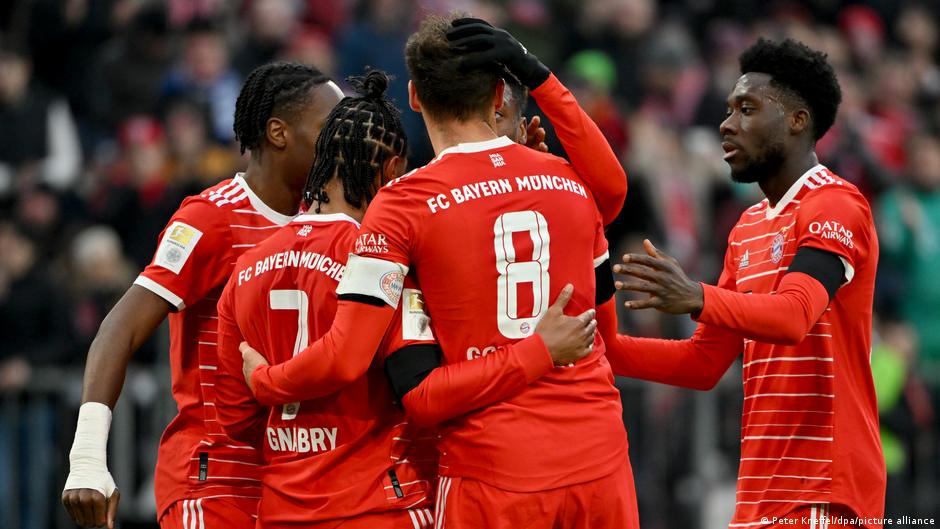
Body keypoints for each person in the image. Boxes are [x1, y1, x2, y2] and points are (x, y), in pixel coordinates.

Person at [239, 15, 638, 529]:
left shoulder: (402, 204)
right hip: (601, 464)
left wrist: (266, 380)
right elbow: (614, 189)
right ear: (500, 95)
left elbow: (359, 363)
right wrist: (538, 75)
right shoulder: (571, 180)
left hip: (493, 476)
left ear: (414, 96)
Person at [606, 38, 885, 528]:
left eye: (747, 109)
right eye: (729, 109)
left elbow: (794, 316)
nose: (726, 123)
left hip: (825, 488)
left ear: (797, 121)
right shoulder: (748, 226)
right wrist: (602, 351)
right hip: (761, 491)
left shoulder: (836, 204)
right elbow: (703, 363)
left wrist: (697, 296)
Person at [61, 62, 343, 529]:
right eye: (329, 129)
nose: (342, 144)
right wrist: (88, 455)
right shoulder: (210, 219)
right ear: (278, 133)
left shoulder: (331, 222)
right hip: (215, 479)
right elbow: (119, 327)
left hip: (296, 478)